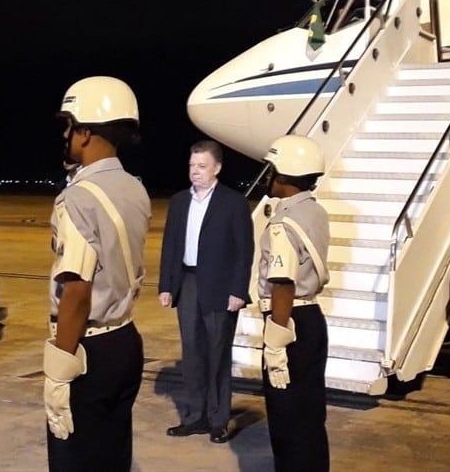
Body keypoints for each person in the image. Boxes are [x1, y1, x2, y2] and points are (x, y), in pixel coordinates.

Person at [45, 76, 150, 471]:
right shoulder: (134, 189)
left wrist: (57, 372)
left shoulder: (77, 198)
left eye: (69, 126)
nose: (67, 136)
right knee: (112, 456)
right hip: (125, 338)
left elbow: (76, 289)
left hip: (85, 347)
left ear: (85, 132)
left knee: (74, 458)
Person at [158, 139, 253, 444]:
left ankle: (218, 420)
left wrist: (238, 290)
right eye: (191, 165)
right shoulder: (179, 201)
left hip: (220, 287)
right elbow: (170, 247)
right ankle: (195, 417)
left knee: (217, 354)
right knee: (193, 354)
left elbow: (243, 250)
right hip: (187, 283)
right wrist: (166, 286)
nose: (195, 172)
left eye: (202, 166)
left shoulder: (233, 202)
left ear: (217, 169)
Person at [257, 134, 331, 471]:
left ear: (284, 174)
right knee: (310, 415)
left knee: (288, 420)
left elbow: (282, 282)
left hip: (288, 324)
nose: (267, 175)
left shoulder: (282, 223)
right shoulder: (315, 212)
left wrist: (275, 343)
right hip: (312, 317)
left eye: (271, 169)